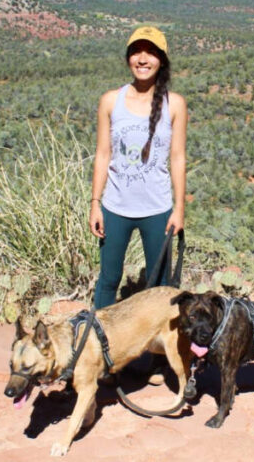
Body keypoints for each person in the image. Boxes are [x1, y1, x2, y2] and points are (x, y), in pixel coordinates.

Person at [90, 26, 187, 310]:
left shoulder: (175, 104)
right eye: (136, 52)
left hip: (157, 210)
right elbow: (102, 154)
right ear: (128, 58)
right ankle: (99, 333)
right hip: (115, 208)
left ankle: (157, 339)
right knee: (109, 280)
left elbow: (178, 158)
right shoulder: (111, 101)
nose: (142, 59)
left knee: (160, 286)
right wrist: (95, 203)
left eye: (151, 53)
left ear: (161, 60)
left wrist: (179, 209)